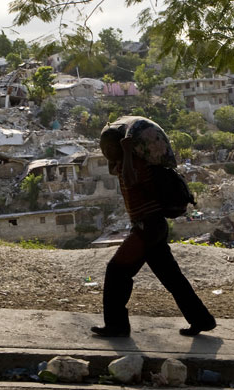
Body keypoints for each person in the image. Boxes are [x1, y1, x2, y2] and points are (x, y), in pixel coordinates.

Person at [91, 123, 216, 337]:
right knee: (172, 278)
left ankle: (117, 325)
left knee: (116, 271)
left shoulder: (135, 163)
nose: (106, 152)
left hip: (146, 227)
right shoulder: (123, 163)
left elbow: (130, 180)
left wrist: (128, 151)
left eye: (109, 147)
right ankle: (201, 320)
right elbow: (114, 169)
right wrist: (122, 153)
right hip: (153, 226)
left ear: (121, 146)